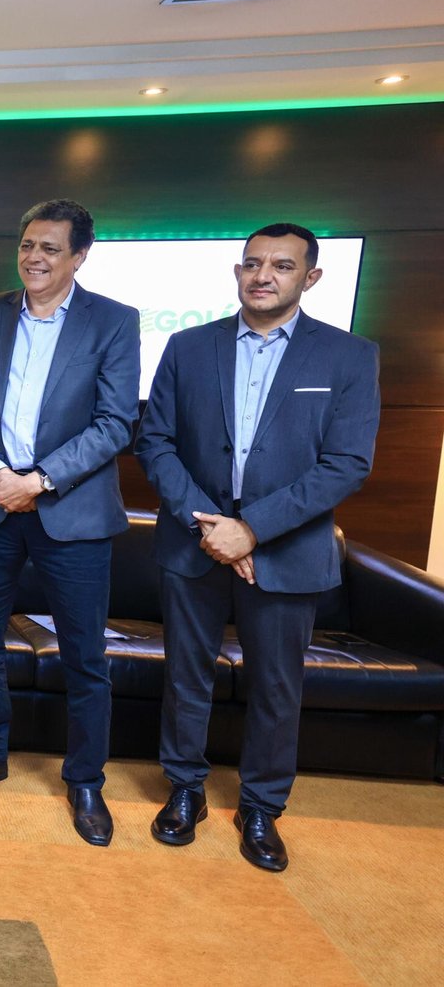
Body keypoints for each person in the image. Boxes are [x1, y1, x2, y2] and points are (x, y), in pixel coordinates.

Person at [135, 223, 379, 872]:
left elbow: (347, 463)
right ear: (237, 272)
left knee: (276, 686)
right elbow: (154, 441)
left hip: (288, 550)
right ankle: (184, 789)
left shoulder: (349, 357)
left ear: (311, 277)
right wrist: (210, 526)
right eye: (251, 263)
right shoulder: (188, 346)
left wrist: (252, 529)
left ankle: (262, 806)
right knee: (186, 675)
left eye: (281, 265)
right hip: (194, 543)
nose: (262, 275)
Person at [0, 199, 139, 846]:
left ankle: (85, 779)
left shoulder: (113, 321)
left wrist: (40, 480)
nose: (34, 257)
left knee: (85, 655)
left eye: (50, 248)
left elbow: (115, 423)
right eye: (27, 244)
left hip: (71, 510)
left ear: (79, 256)